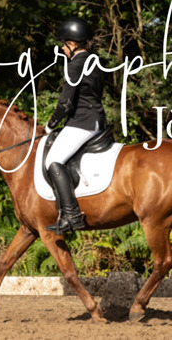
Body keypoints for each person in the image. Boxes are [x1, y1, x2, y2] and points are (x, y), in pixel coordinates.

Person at [44, 17, 107, 234]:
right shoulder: (94, 61)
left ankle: (71, 215)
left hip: (82, 122)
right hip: (97, 120)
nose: (62, 49)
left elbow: (66, 103)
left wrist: (51, 124)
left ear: (72, 44)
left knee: (53, 161)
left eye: (63, 44)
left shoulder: (75, 65)